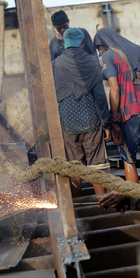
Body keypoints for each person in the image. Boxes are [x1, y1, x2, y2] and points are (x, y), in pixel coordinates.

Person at [94, 28, 140, 183]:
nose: (99, 53)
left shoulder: (109, 55)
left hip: (128, 114)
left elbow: (114, 88)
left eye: (99, 49)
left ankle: (136, 201)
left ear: (103, 45)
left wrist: (114, 115)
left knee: (129, 159)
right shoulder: (139, 50)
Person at [52, 28, 111, 197]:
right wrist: (106, 124)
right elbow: (99, 95)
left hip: (67, 122)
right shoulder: (92, 61)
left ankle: (78, 207)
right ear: (82, 42)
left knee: (74, 166)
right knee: (97, 165)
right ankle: (102, 205)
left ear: (64, 43)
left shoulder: (55, 65)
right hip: (91, 119)